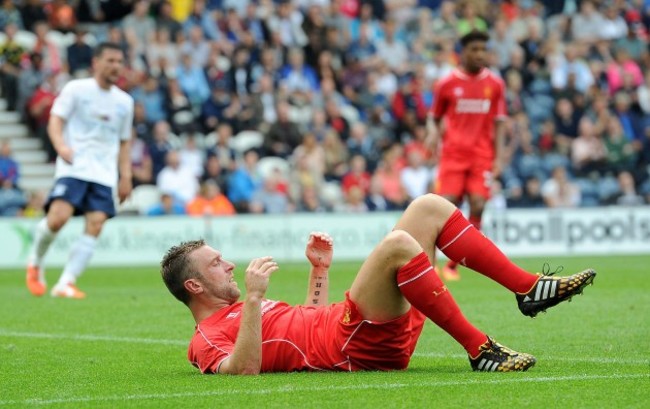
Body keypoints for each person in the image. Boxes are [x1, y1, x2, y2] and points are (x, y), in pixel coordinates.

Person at [160, 194, 596, 375]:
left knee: (429, 207)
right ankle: (480, 348)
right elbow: (241, 370)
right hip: (353, 343)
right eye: (218, 264)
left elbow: (306, 321)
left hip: (354, 327)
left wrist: (320, 272)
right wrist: (255, 298)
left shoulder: (243, 311)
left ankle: (527, 287)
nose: (231, 265)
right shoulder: (205, 339)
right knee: (397, 246)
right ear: (195, 287)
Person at [25, 43, 134, 299]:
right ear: (96, 62)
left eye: (119, 61)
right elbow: (56, 118)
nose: (115, 66)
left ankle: (66, 282)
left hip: (104, 173)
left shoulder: (124, 102)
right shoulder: (77, 89)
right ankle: (35, 262)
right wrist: (61, 145)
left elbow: (125, 140)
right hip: (75, 165)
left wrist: (126, 176)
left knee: (96, 224)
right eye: (110, 60)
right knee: (58, 218)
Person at [429, 30, 507, 281]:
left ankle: (452, 265)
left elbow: (500, 122)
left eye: (483, 49)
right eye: (474, 50)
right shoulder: (446, 83)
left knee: (479, 204)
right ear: (462, 53)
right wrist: (432, 133)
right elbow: (434, 116)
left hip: (481, 155)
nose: (479, 54)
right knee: (445, 206)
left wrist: (500, 157)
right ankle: (430, 265)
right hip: (453, 155)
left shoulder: (495, 84)